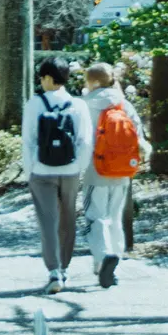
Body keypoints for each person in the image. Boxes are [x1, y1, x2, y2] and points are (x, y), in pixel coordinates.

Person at [21, 55, 93, 295]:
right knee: (68, 221)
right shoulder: (78, 105)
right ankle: (64, 268)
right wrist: (78, 167)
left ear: (49, 78)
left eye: (42, 77)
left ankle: (54, 272)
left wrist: (30, 170)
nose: (41, 82)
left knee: (48, 223)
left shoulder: (34, 103)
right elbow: (85, 141)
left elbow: (28, 141)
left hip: (42, 172)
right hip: (71, 172)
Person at [82, 61, 148, 289]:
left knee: (95, 216)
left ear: (91, 82)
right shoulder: (124, 105)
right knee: (114, 216)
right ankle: (115, 262)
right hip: (122, 171)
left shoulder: (84, 105)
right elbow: (139, 139)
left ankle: (103, 256)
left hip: (95, 170)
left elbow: (79, 139)